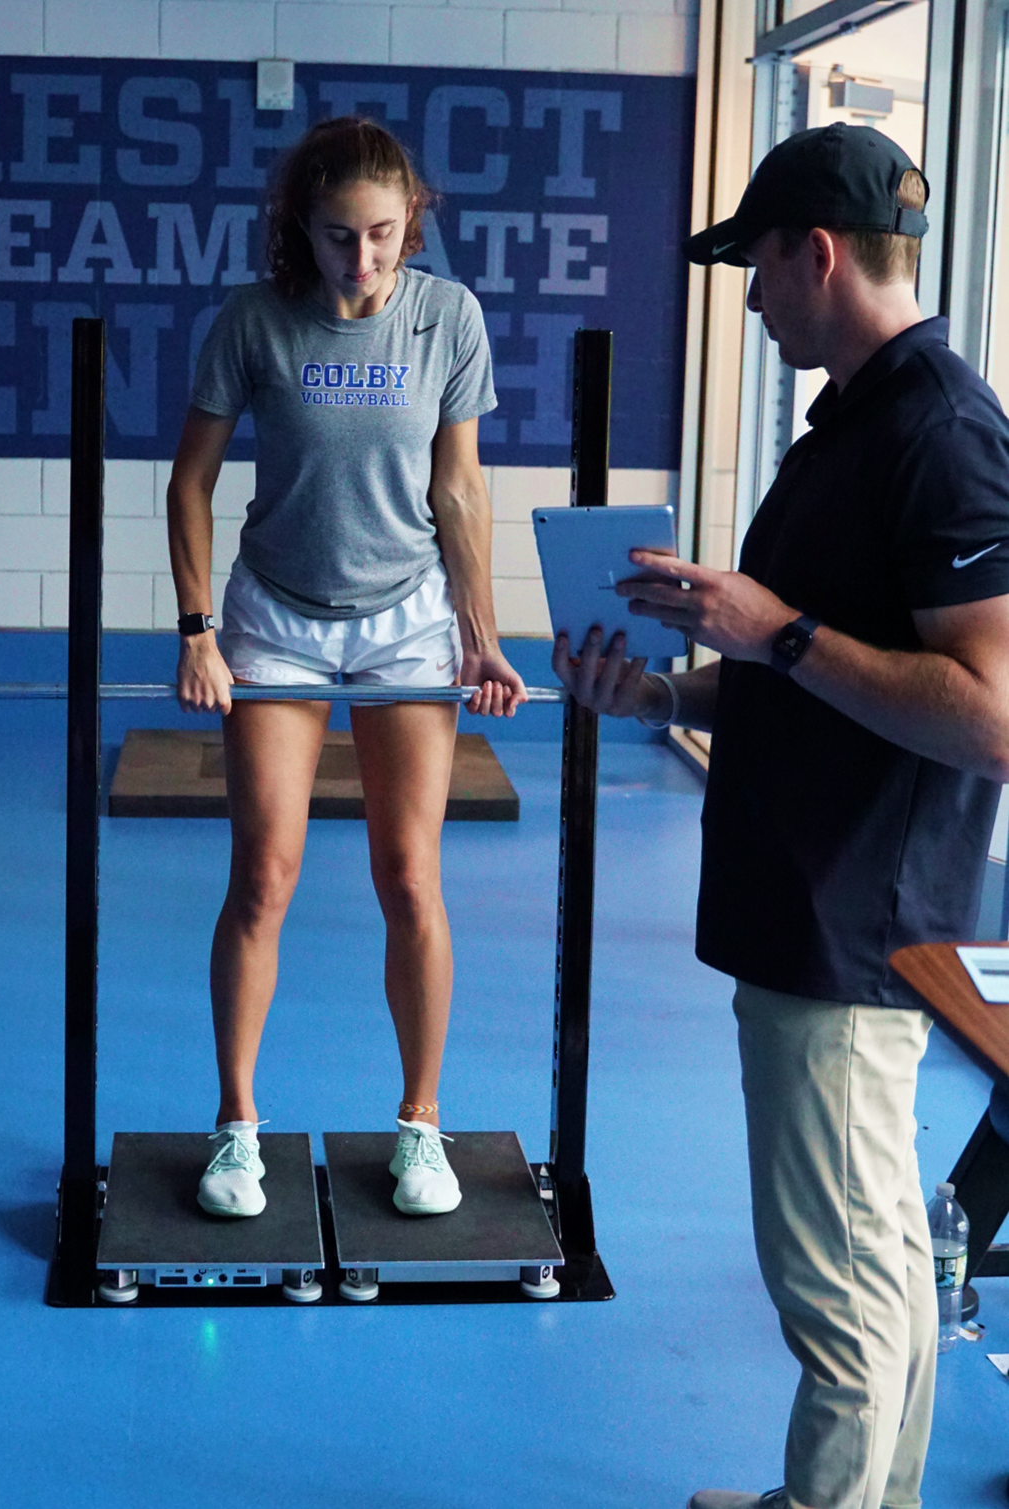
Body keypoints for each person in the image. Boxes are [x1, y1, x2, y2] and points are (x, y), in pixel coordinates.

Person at [551, 124, 1009, 1509]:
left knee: (840, 1283)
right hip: (811, 899)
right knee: (871, 1258)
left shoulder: (942, 435)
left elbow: (993, 714)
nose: (747, 298)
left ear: (817, 253)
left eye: (756, 265)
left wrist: (781, 630)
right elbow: (800, 667)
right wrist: (668, 693)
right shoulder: (861, 425)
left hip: (854, 921)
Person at [166, 117, 526, 1222]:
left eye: (379, 236)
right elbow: (190, 486)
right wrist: (195, 632)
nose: (360, 262)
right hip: (274, 613)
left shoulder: (446, 318)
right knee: (263, 877)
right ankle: (237, 1131)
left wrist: (482, 634)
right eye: (335, 239)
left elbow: (457, 489)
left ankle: (420, 1130)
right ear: (300, 231)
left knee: (409, 877)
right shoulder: (253, 321)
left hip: (406, 617)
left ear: (410, 222)